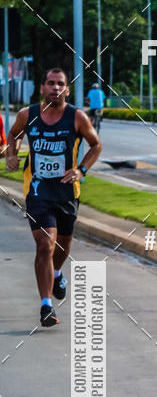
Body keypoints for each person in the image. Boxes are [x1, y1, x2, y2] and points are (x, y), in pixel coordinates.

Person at [6, 68, 102, 326]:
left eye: (60, 84)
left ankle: (57, 273)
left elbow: (96, 145)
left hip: (67, 193)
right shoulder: (28, 115)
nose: (55, 88)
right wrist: (12, 155)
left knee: (62, 246)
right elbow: (14, 134)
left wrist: (81, 170)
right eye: (50, 83)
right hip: (38, 192)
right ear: (42, 88)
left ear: (67, 90)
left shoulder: (77, 117)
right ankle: (46, 306)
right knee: (45, 244)